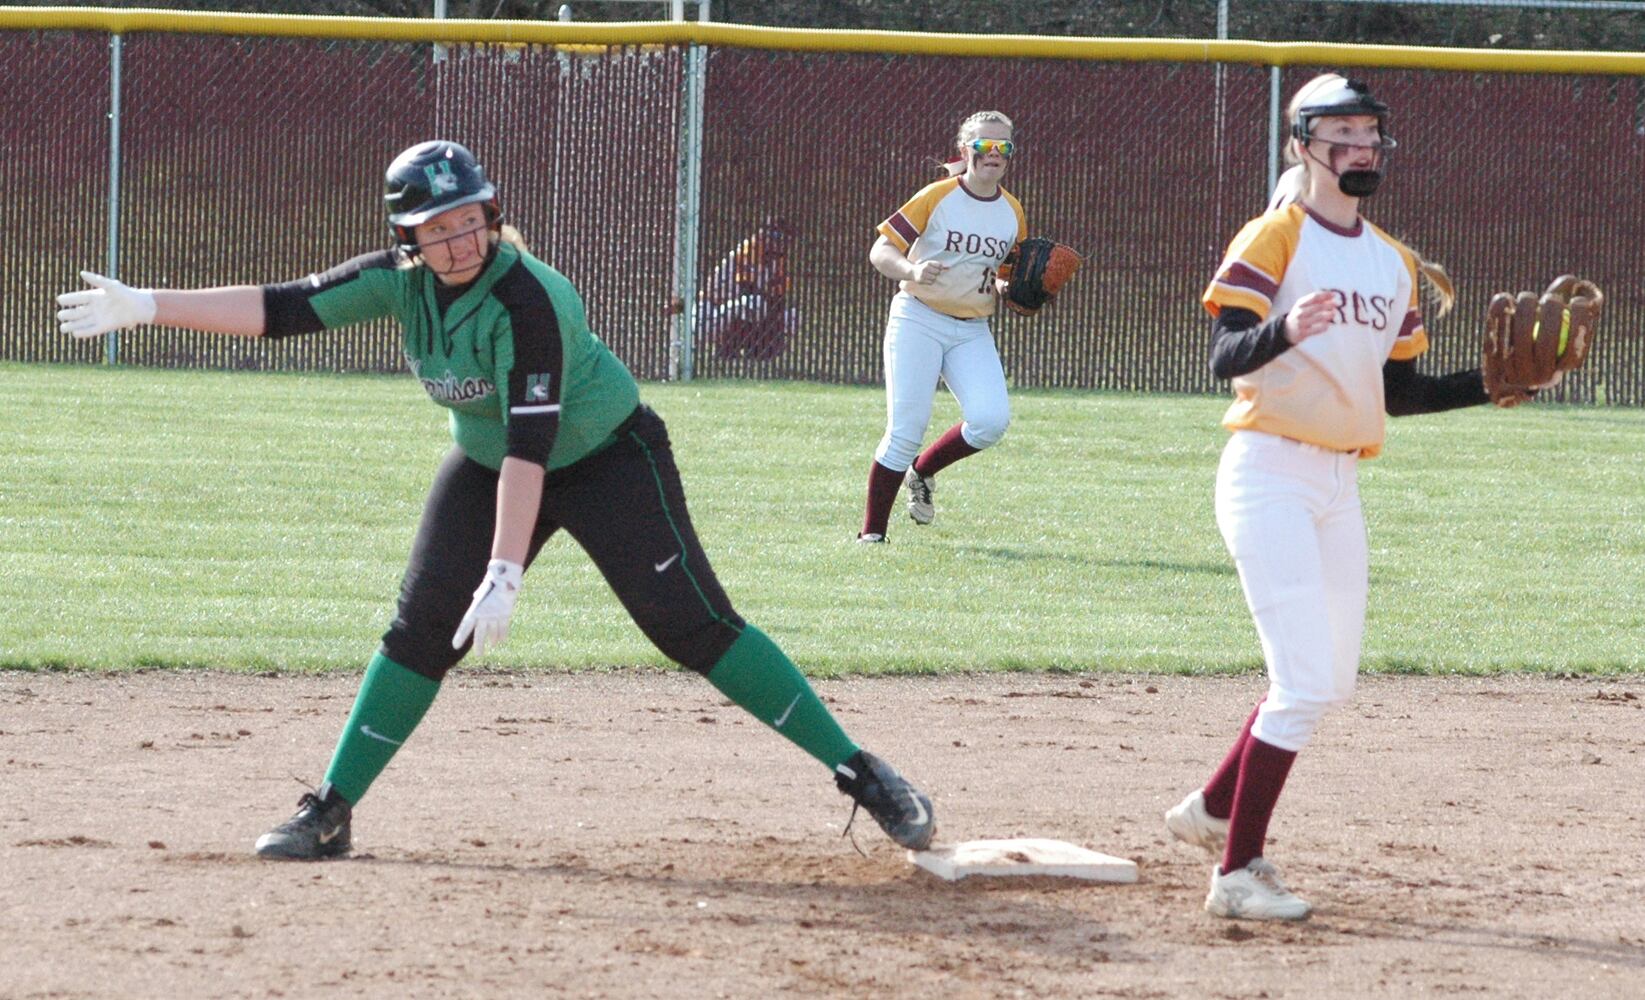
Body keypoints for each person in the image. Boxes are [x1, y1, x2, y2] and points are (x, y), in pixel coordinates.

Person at [55, 140, 936, 859]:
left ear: (491, 215)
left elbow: (534, 446)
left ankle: (863, 771)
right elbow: (283, 308)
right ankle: (330, 808)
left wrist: (507, 572)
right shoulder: (397, 280)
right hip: (485, 465)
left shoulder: (529, 297)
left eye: (469, 219)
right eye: (436, 228)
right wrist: (146, 307)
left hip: (605, 459)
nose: (457, 241)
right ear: (407, 238)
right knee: (420, 628)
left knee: (693, 625)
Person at [1162, 76, 1540, 920]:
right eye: (1340, 135)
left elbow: (1398, 392)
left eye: (1369, 135)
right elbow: (1225, 354)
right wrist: (1285, 330)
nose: (1359, 149)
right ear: (1302, 145)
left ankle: (1214, 808)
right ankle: (1235, 873)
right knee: (1299, 683)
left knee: (1324, 680)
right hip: (1268, 473)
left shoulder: (1390, 261)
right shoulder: (1276, 233)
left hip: (1338, 483)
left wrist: (1495, 385)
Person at [857, 110, 1027, 542]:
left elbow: (1007, 272)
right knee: (904, 430)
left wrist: (1017, 289)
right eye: (984, 145)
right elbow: (881, 251)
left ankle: (924, 471)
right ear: (966, 149)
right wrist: (910, 272)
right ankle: (872, 535)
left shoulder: (1012, 212)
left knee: (990, 421)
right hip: (919, 317)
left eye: (1003, 146)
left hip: (971, 328)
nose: (994, 154)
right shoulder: (937, 195)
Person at [696, 216, 797, 361]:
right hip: (710, 314)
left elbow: (778, 300)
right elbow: (748, 290)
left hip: (735, 310)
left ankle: (760, 352)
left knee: (791, 316)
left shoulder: (777, 262)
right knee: (753, 303)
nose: (780, 241)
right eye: (776, 235)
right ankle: (727, 350)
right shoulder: (748, 252)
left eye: (784, 238)